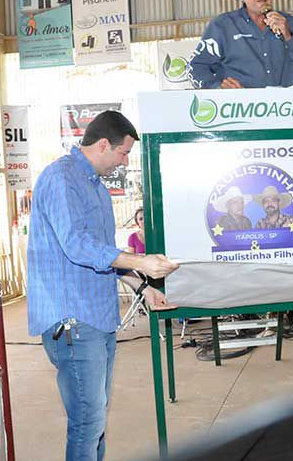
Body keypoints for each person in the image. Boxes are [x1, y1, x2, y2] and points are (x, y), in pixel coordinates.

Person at [27, 110, 179, 460]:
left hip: (98, 318)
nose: (125, 162)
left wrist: (142, 287)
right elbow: (77, 245)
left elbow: (103, 253)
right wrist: (140, 261)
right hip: (73, 322)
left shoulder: (95, 186)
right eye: (124, 153)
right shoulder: (61, 178)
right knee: (87, 422)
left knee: (94, 420)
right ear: (103, 145)